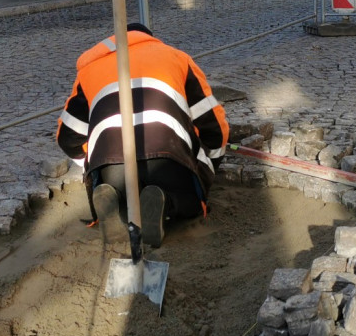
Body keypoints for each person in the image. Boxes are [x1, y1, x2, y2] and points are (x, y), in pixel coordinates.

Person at [57, 23, 229, 247]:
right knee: (191, 202)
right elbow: (212, 123)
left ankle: (115, 201)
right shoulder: (177, 58)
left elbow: (67, 137)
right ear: (149, 38)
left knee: (123, 188)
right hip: (169, 159)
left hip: (112, 167)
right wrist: (212, 164)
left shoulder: (90, 70)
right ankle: (166, 203)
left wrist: (91, 162)